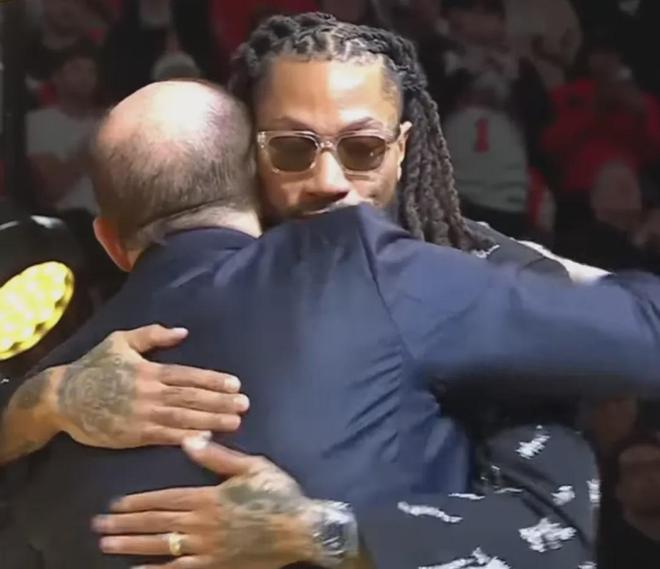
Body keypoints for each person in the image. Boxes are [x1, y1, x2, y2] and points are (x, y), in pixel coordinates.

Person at [0, 11, 649, 567]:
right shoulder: (131, 324)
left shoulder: (484, 271)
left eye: (362, 148)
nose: (329, 181)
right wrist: (41, 402)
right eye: (292, 149)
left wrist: (326, 532)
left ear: (402, 148)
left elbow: (552, 538)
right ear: (245, 154)